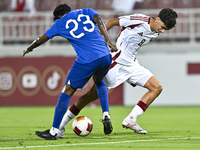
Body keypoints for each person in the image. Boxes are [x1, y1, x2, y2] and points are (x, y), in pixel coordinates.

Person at [57, 8, 178, 137]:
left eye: (166, 30)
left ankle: (131, 119)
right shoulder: (139, 20)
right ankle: (60, 127)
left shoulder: (155, 31)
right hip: (115, 63)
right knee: (89, 97)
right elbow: (113, 21)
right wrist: (97, 40)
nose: (163, 31)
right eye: (163, 27)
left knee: (157, 88)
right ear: (157, 19)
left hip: (132, 65)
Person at [23, 4, 117, 140]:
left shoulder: (60, 22)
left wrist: (30, 48)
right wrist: (108, 40)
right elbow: (99, 19)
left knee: (67, 91)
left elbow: (41, 39)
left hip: (87, 59)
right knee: (99, 80)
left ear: (59, 16)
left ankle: (54, 131)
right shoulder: (87, 11)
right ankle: (106, 115)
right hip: (105, 56)